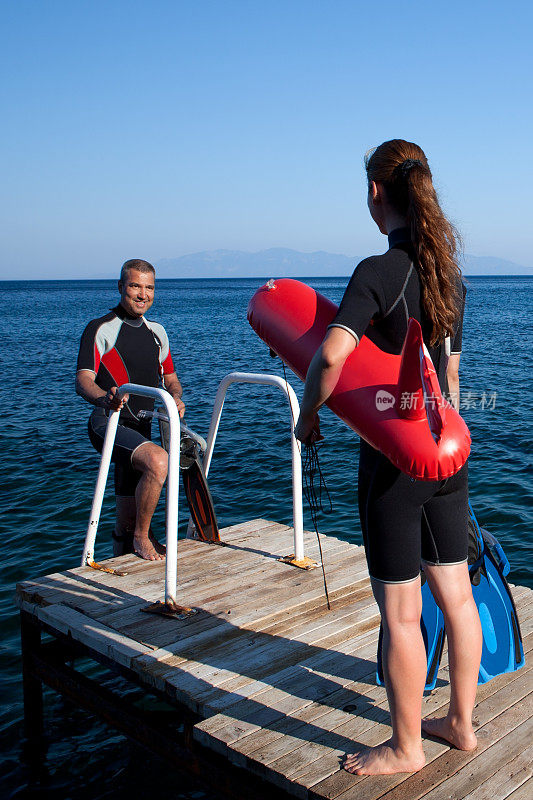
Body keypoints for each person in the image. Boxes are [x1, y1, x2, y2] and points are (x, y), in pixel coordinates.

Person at [294, 140, 482, 775]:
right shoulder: (444, 276)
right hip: (447, 450)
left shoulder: (376, 271)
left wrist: (309, 413)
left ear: (377, 193)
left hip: (394, 465)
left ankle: (405, 748)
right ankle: (461, 723)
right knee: (456, 594)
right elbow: (451, 372)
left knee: (400, 609)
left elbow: (329, 356)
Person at [76, 259, 185, 561]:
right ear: (121, 286)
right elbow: (83, 380)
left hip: (141, 428)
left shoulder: (157, 332)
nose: (142, 294)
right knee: (159, 462)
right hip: (108, 423)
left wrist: (175, 397)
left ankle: (123, 558)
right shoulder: (100, 329)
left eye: (149, 287)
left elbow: (172, 380)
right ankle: (143, 537)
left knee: (124, 520)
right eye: (135, 285)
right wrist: (104, 398)